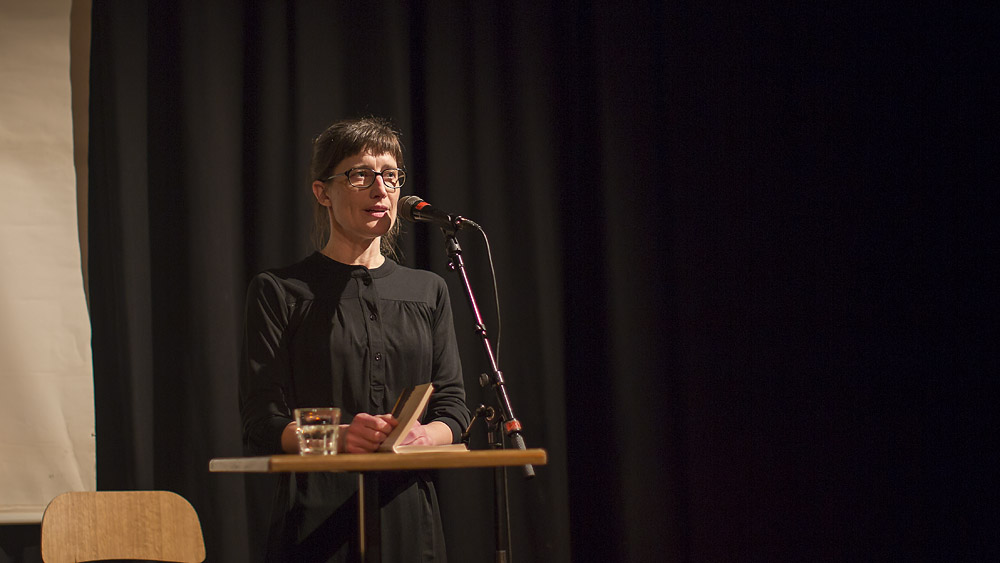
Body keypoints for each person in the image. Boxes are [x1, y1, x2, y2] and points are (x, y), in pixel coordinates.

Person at [239, 116, 471, 562]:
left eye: (390, 175)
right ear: (322, 192)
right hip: (316, 519)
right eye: (360, 175)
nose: (380, 189)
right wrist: (340, 436)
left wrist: (424, 436)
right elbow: (260, 421)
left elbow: (454, 407)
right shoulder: (280, 291)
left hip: (409, 517)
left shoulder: (428, 290)